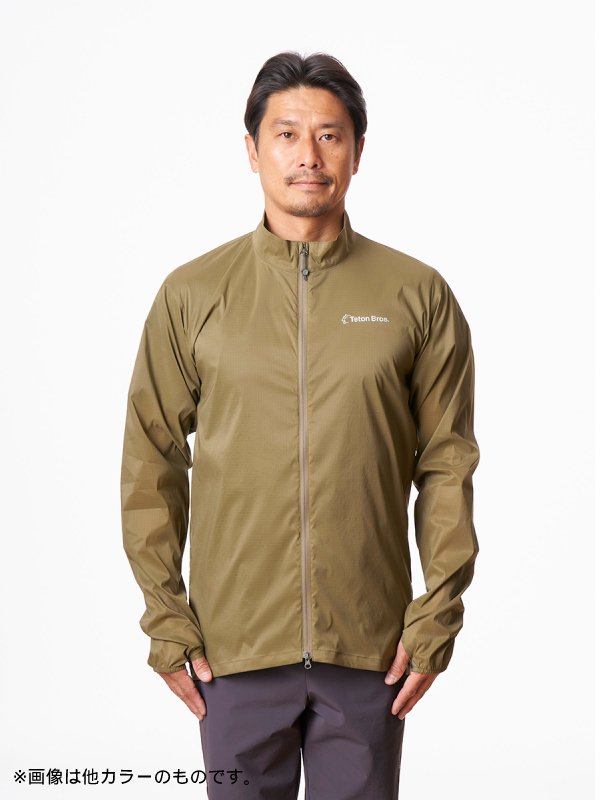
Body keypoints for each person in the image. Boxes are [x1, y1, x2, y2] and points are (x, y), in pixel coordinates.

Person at [120, 51, 480, 799]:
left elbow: (447, 463)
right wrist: (167, 618)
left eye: (329, 135)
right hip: (233, 653)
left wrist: (435, 615)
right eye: (286, 134)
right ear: (252, 150)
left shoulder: (417, 295)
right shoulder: (193, 294)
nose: (308, 155)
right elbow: (151, 460)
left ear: (357, 152)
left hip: (371, 652)